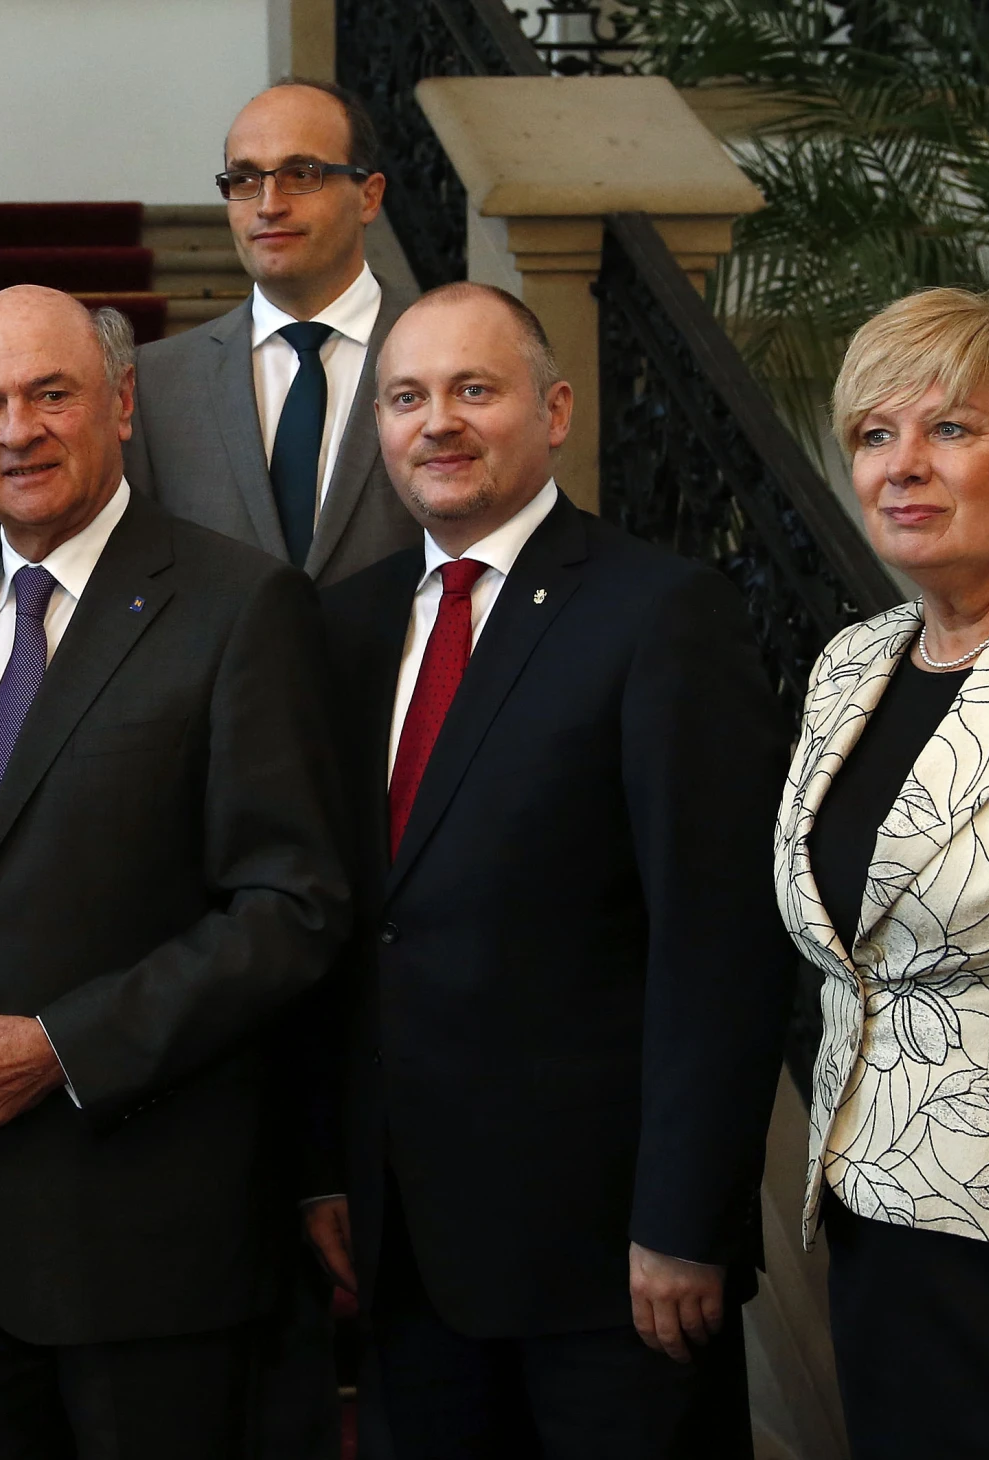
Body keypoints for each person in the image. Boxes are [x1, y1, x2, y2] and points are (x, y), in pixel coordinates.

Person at [0, 285, 350, 1459]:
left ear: (120, 403)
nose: (17, 429)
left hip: (142, 1235)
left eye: (49, 392)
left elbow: (290, 907)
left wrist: (64, 1045)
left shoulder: (239, 604)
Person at [303, 282, 794, 1458]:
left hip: (610, 1262)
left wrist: (687, 1221)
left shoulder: (662, 611)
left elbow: (719, 945)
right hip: (409, 1245)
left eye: (475, 389)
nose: (438, 423)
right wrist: (326, 1164)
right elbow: (341, 925)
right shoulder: (340, 627)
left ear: (556, 408)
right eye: (407, 397)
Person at [776, 287, 989, 1456]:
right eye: (876, 435)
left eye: (951, 429)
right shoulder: (852, 663)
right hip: (883, 1229)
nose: (902, 466)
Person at [124, 79, 416, 588]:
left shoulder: (445, 355)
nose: (268, 204)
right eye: (243, 180)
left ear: (369, 196)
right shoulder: (156, 381)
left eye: (301, 174)